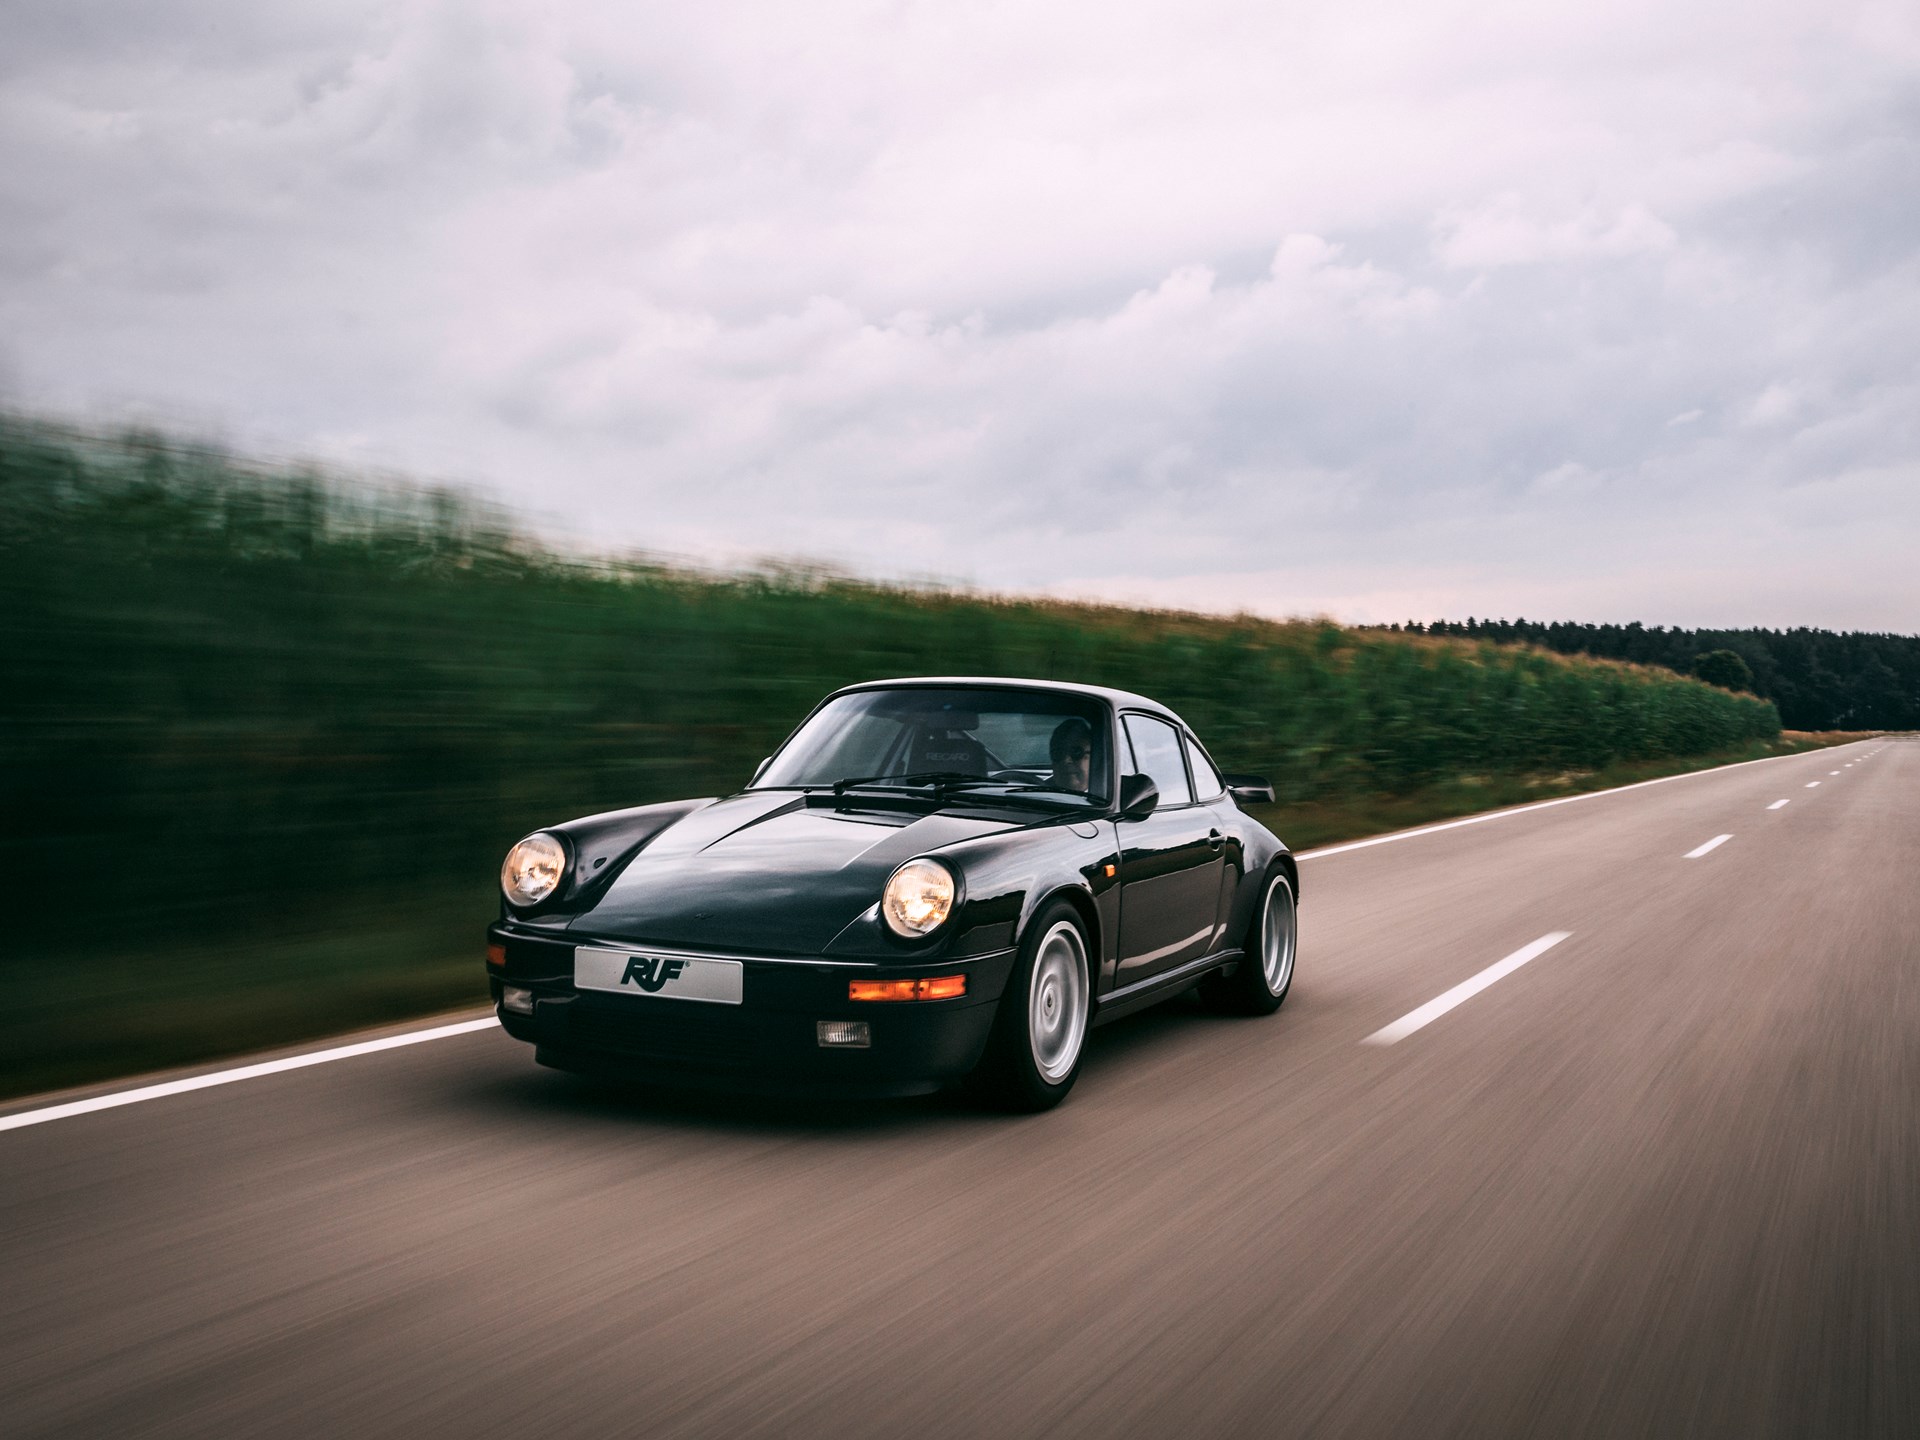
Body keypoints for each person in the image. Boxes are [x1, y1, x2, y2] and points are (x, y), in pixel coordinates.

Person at [1048, 717, 1093, 794]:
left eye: (1076, 752)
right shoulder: (1037, 795)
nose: (1066, 760)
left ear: (1095, 758)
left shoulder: (1111, 794)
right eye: (1058, 753)